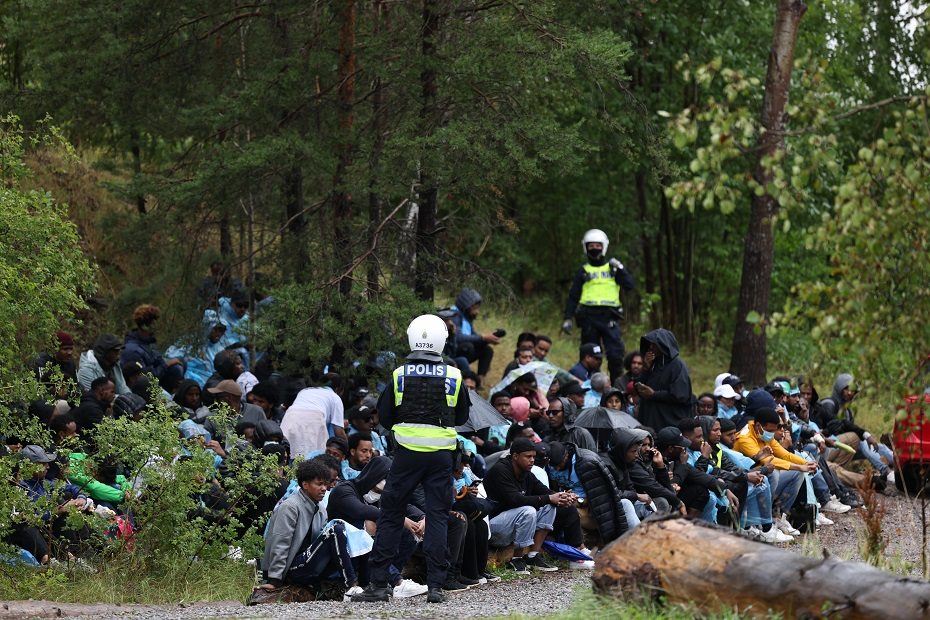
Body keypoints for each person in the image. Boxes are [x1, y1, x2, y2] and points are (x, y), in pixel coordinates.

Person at [352, 314, 470, 604]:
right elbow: (464, 416)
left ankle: (379, 586)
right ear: (441, 340)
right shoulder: (454, 374)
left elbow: (386, 415)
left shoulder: (400, 374)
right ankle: (437, 587)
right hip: (441, 457)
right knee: (438, 516)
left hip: (406, 457)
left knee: (391, 515)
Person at [326, 457, 429, 598]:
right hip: (343, 559)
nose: (389, 484)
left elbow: (405, 507)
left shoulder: (379, 496)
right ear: (375, 474)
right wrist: (399, 518)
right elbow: (361, 511)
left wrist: (422, 518)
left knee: (408, 531)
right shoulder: (344, 490)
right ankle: (397, 582)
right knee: (371, 531)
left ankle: (388, 582)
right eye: (387, 478)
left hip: (368, 563)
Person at [258, 459, 357, 595]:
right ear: (305, 484)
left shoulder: (321, 509)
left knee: (341, 528)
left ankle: (368, 581)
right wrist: (274, 580)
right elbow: (280, 542)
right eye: (319, 484)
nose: (324, 488)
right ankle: (351, 586)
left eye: (325, 484)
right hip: (290, 570)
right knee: (335, 531)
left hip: (308, 565)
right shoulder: (290, 507)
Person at [484, 438, 579, 574]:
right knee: (528, 510)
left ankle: (532, 556)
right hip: (494, 528)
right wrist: (549, 497)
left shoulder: (526, 473)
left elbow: (545, 492)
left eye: (534, 457)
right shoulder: (500, 470)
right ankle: (516, 559)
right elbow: (515, 500)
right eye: (528, 456)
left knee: (549, 505)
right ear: (515, 456)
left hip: (513, 525)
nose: (532, 460)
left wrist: (562, 496)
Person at [561, 229, 635, 381]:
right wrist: (568, 318)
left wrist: (621, 268)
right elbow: (573, 296)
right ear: (585, 247)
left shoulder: (613, 268)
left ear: (604, 247)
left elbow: (629, 285)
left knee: (615, 356)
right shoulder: (583, 271)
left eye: (597, 245)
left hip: (609, 317)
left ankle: (616, 391)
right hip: (589, 318)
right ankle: (592, 387)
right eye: (591, 245)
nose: (594, 248)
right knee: (591, 358)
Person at [733, 407, 812, 535]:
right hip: (747, 479)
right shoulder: (745, 438)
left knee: (797, 474)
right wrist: (798, 466)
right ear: (758, 426)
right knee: (774, 472)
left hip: (762, 477)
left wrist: (806, 463)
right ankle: (763, 523)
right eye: (770, 430)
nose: (771, 434)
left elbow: (784, 454)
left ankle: (777, 517)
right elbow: (768, 461)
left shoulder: (764, 433)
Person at [815, 373, 895, 485]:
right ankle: (885, 470)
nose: (849, 393)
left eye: (852, 390)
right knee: (860, 439)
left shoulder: (847, 411)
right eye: (846, 389)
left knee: (877, 446)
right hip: (827, 446)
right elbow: (834, 427)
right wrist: (864, 435)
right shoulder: (829, 404)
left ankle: (899, 462)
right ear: (839, 388)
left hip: (844, 448)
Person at [547, 440, 634, 544]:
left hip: (590, 506)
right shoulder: (551, 466)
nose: (557, 468)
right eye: (554, 466)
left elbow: (602, 497)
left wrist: (579, 501)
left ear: (566, 455)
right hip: (566, 502)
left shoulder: (587, 463)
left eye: (560, 464)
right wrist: (563, 495)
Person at [634, 329, 693, 431]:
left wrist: (654, 394)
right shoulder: (653, 364)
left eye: (654, 344)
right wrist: (646, 368)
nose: (651, 347)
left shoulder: (677, 366)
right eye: (650, 344)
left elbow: (681, 395)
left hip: (669, 423)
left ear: (664, 345)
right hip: (650, 421)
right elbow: (638, 388)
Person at [121, 304, 185, 393]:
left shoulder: (149, 342)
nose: (157, 327)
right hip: (145, 388)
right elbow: (144, 378)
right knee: (176, 368)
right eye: (154, 323)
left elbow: (158, 360)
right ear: (145, 326)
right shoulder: (132, 350)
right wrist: (166, 365)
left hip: (157, 378)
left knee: (180, 363)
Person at [281, 384, 346, 459]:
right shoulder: (335, 397)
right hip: (314, 419)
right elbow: (339, 431)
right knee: (312, 458)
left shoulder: (304, 391)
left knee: (285, 453)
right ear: (339, 390)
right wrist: (346, 450)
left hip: (290, 416)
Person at [450, 288, 500, 384]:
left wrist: (487, 339)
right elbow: (457, 337)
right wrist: (483, 337)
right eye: (475, 308)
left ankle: (480, 381)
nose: (477, 312)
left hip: (464, 350)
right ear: (466, 306)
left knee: (487, 350)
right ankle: (466, 379)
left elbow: (474, 336)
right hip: (452, 352)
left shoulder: (466, 318)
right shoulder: (454, 315)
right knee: (468, 346)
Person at [33, 331, 78, 395]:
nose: (69, 353)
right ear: (55, 349)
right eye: (65, 349)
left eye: (71, 349)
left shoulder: (70, 363)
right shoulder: (41, 362)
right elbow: (41, 386)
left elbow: (76, 385)